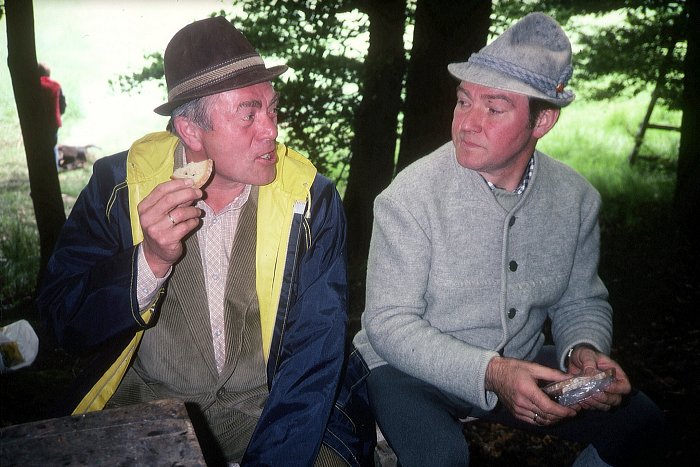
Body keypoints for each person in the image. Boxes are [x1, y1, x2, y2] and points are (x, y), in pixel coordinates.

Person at [37, 17, 375, 467]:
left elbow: (312, 360)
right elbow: (62, 321)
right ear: (191, 130)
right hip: (147, 409)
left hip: (275, 413)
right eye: (249, 114)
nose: (271, 130)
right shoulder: (120, 185)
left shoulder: (309, 199)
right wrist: (149, 261)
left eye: (272, 109)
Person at [353, 12, 666, 467]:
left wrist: (584, 351)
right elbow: (388, 323)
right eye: (464, 101)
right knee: (439, 456)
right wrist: (493, 372)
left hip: (519, 359)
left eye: (494, 108)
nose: (467, 123)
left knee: (641, 423)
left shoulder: (576, 199)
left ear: (543, 122)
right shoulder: (410, 197)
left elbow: (581, 300)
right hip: (408, 368)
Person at [38, 62, 67, 169]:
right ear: (48, 73)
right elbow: (62, 106)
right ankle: (54, 169)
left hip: (36, 122)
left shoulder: (32, 85)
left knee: (39, 147)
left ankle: (41, 169)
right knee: (52, 147)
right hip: (53, 122)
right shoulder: (56, 85)